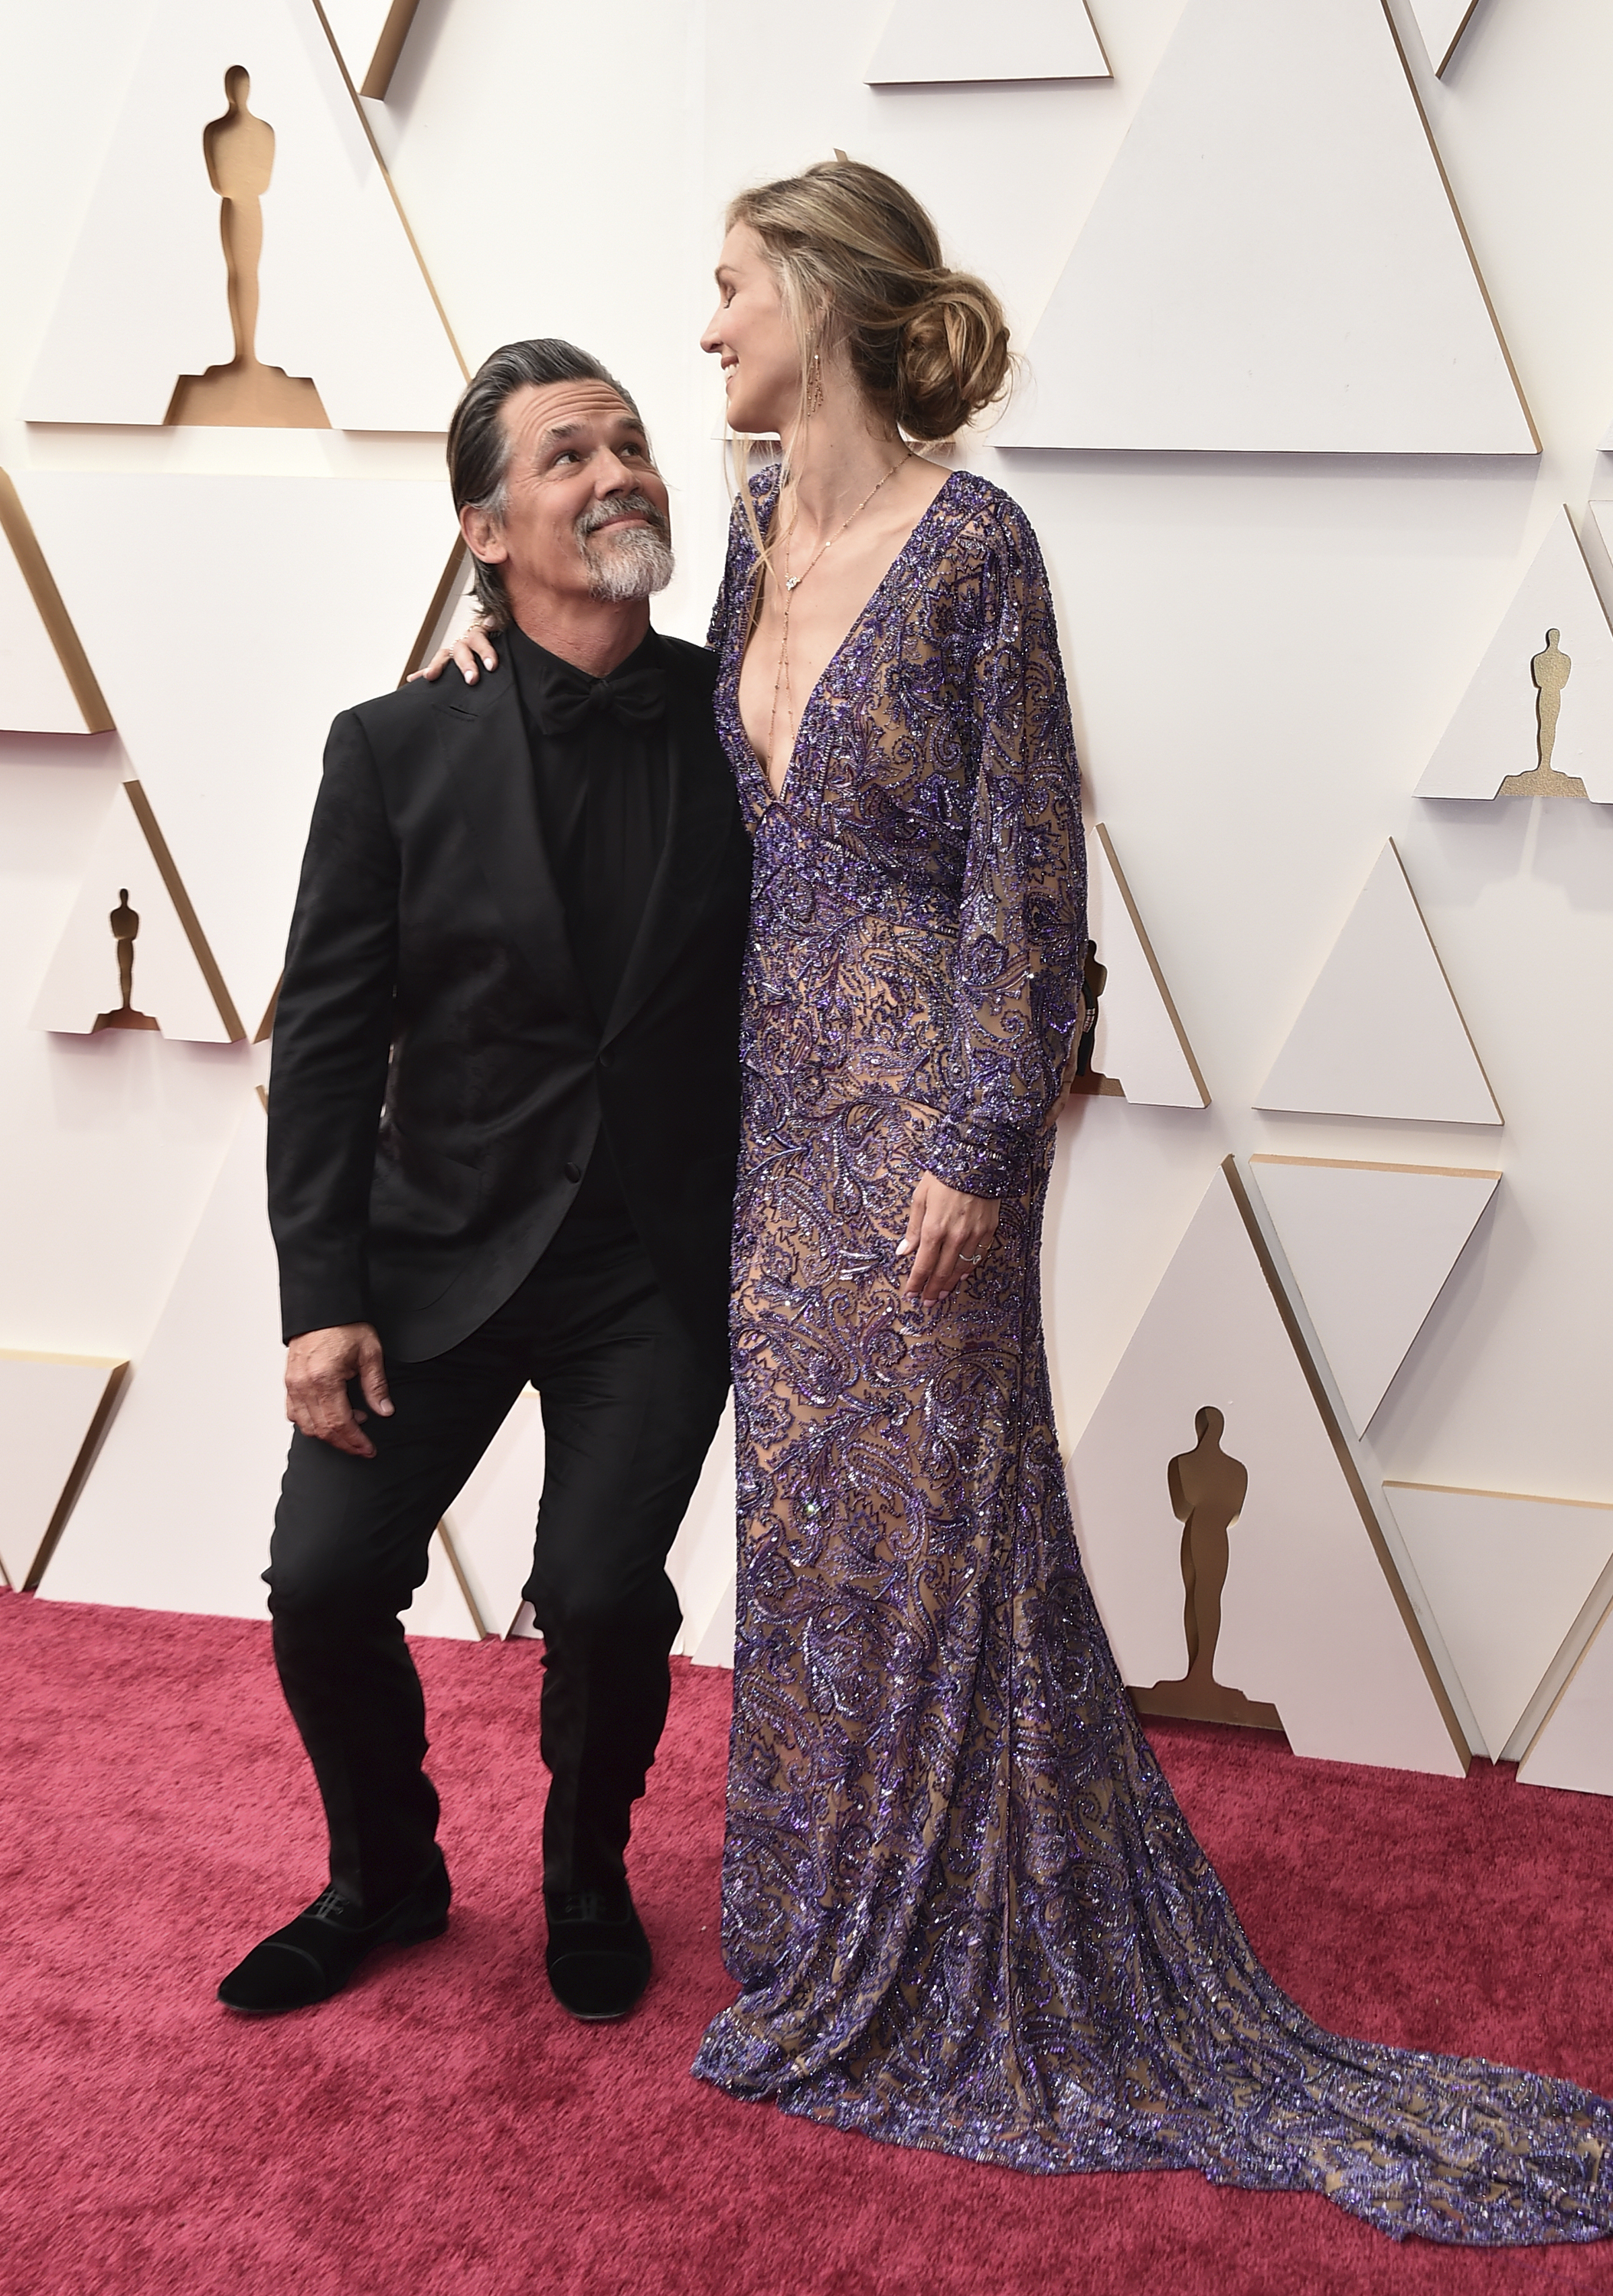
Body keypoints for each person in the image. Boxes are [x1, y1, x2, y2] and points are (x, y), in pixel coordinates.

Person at [429, 164, 1613, 2245]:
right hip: (766, 1129)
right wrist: (489, 678)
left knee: (951, 1529)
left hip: (919, 1144)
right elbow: (676, 764)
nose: (700, 333)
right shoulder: (747, 519)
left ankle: (978, 1931)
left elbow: (1027, 884)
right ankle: (833, 1921)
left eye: (724, 292)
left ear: (815, 291)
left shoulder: (978, 550)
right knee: (812, 1523)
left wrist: (986, 1144)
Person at [217, 338, 751, 2024]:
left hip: (650, 1271)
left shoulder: (749, 719)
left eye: (632, 444)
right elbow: (323, 1044)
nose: (616, 476)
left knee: (599, 1592)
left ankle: (587, 1871)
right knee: (317, 1585)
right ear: (485, 530)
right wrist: (321, 1303)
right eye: (565, 458)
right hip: (431, 1257)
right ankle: (384, 1877)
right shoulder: (393, 746)